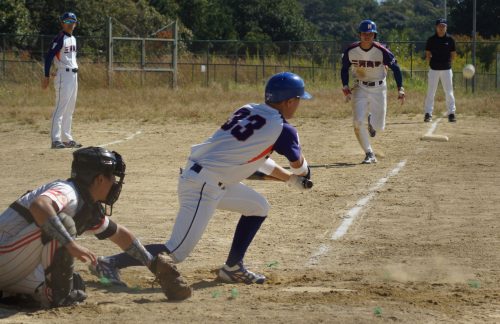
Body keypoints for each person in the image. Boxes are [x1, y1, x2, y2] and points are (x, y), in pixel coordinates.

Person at [89, 72, 314, 286]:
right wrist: (302, 173)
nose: (298, 104)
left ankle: (233, 268)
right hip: (203, 185)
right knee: (176, 252)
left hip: (209, 178)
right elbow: (299, 166)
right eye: (297, 99)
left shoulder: (248, 109)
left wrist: (287, 179)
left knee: (258, 207)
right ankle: (109, 263)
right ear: (288, 101)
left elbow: (253, 158)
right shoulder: (283, 129)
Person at [0, 147, 190, 308]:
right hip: (5, 254)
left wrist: (151, 263)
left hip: (13, 264)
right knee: (63, 225)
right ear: (99, 179)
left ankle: (15, 294)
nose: (115, 184)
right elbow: (39, 206)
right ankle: (54, 297)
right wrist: (70, 244)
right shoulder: (68, 191)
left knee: (73, 283)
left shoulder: (87, 204)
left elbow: (119, 234)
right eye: (112, 178)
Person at [341, 19, 405, 164]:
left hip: (379, 88)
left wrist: (400, 88)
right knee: (357, 122)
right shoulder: (351, 50)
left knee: (378, 127)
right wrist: (345, 86)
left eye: (370, 34)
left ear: (374, 35)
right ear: (360, 35)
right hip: (360, 87)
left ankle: (371, 121)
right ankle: (369, 153)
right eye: (364, 33)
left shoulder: (382, 51)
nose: (367, 36)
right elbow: (344, 68)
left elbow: (396, 69)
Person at [42, 12, 82, 149]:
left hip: (73, 76)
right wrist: (46, 76)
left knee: (69, 109)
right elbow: (48, 57)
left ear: (75, 23)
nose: (70, 24)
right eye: (67, 21)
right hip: (63, 76)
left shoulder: (74, 38)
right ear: (62, 23)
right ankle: (55, 139)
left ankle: (66, 138)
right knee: (60, 107)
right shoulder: (59, 38)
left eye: (72, 21)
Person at [423, 18, 457, 123]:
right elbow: (428, 54)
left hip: (446, 69)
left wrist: (447, 63)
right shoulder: (431, 40)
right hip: (434, 69)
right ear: (436, 27)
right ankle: (428, 114)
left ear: (446, 27)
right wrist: (433, 63)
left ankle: (451, 113)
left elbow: (453, 55)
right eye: (439, 26)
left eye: (443, 26)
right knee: (431, 92)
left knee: (449, 92)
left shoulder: (450, 40)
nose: (441, 28)